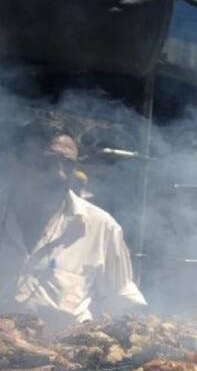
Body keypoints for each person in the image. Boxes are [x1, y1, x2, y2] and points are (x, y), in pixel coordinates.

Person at [0, 120, 146, 334]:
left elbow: (123, 302)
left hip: (67, 361)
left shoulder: (101, 227)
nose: (59, 175)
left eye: (68, 165)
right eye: (47, 163)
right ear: (13, 163)